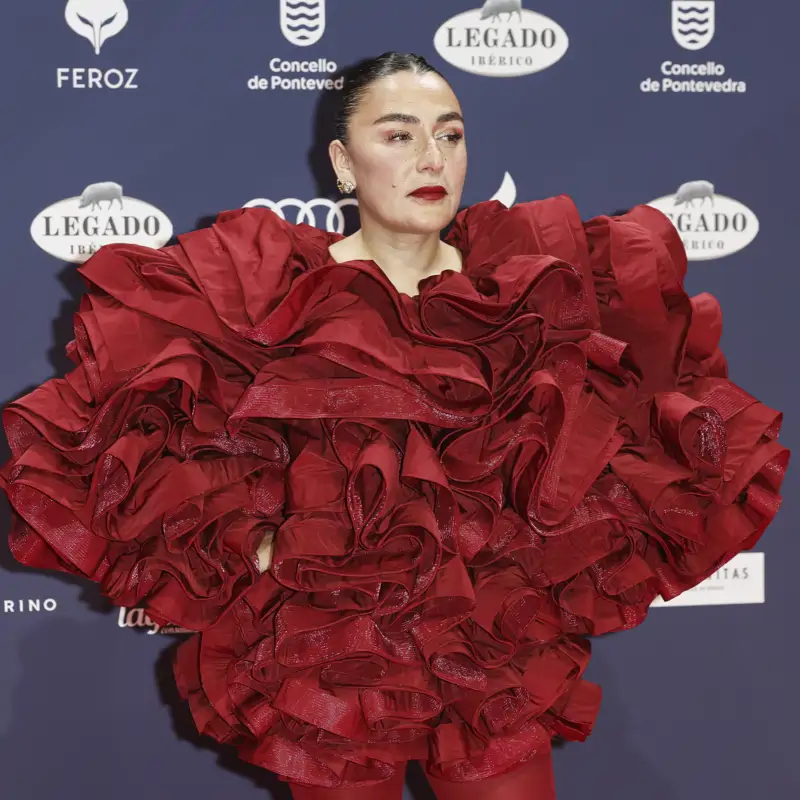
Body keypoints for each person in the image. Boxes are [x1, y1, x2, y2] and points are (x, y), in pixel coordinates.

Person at [0, 51, 788, 800]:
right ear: (343, 164)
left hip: (490, 651)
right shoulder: (262, 297)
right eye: (399, 135)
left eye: (449, 135)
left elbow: (634, 423)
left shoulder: (536, 290)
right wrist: (253, 542)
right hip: (329, 649)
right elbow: (144, 438)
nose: (431, 159)